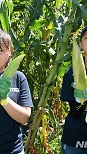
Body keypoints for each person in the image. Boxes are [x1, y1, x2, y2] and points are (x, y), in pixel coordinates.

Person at [60, 25, 87, 154]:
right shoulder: (71, 74)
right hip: (75, 141)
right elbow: (75, 113)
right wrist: (82, 100)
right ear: (81, 44)